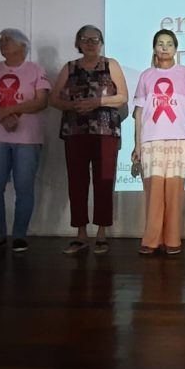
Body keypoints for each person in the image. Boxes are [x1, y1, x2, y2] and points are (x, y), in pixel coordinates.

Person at [49, 25, 128, 256]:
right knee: (77, 182)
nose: (90, 43)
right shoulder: (70, 67)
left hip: (105, 131)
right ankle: (81, 234)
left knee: (104, 181)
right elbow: (53, 99)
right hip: (75, 131)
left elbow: (123, 97)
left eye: (95, 39)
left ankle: (102, 234)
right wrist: (71, 105)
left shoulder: (110, 64)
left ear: (101, 42)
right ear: (78, 43)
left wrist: (97, 102)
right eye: (85, 39)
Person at [0, 28, 50, 254]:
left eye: (8, 40)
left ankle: (19, 236)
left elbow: (41, 101)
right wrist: (2, 117)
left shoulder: (35, 70)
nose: (3, 43)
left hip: (28, 138)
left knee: (24, 187)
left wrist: (10, 111)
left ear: (23, 46)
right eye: (1, 40)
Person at [132, 29, 185, 256]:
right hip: (151, 141)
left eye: (169, 43)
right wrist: (137, 144)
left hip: (179, 139)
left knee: (174, 192)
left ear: (176, 48)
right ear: (154, 48)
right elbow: (139, 113)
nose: (164, 47)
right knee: (154, 192)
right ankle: (151, 240)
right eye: (160, 43)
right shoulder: (146, 75)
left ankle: (172, 239)